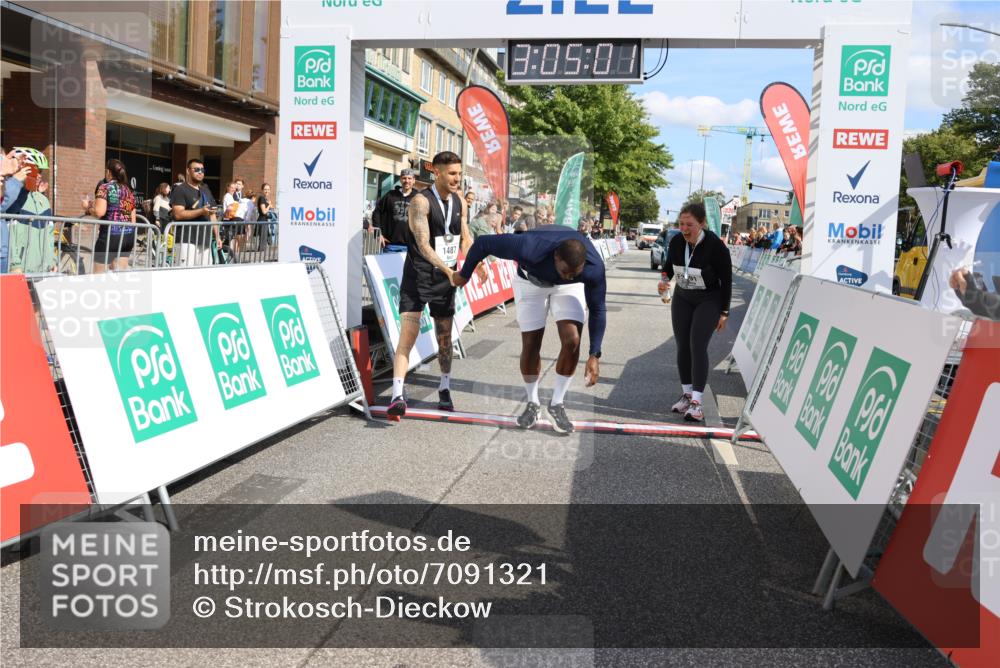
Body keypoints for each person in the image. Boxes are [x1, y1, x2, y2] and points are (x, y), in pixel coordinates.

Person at [452, 226, 606, 435]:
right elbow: (483, 244)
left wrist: (594, 354)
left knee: (572, 340)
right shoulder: (528, 246)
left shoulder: (592, 268)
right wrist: (464, 274)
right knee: (531, 343)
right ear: (555, 256)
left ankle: (557, 404)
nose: (569, 276)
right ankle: (533, 403)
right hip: (530, 281)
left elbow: (597, 309)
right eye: (565, 272)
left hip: (567, 292)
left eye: (574, 273)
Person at [387, 151, 473, 419]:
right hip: (418, 275)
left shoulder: (460, 201)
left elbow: (465, 237)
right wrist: (449, 270)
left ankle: (445, 388)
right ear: (436, 173)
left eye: (459, 173)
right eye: (452, 174)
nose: (457, 178)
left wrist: (474, 263)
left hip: (445, 279)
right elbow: (423, 245)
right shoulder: (420, 202)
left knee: (445, 337)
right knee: (408, 336)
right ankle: (397, 396)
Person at [657, 203, 732, 422]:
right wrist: (663, 281)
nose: (684, 229)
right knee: (682, 346)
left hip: (708, 299)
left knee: (697, 345)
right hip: (683, 297)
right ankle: (687, 394)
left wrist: (724, 312)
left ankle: (697, 402)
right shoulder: (677, 241)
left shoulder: (716, 246)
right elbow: (669, 267)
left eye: (690, 224)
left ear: (702, 224)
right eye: (681, 224)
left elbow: (726, 280)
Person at [83, 158, 137, 273]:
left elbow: (99, 212)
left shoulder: (105, 187)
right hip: (128, 236)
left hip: (110, 235)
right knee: (119, 274)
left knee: (99, 276)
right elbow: (133, 219)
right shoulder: (129, 191)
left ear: (108, 172)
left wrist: (87, 207)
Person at [169, 158, 221, 266]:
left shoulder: (206, 190)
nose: (200, 172)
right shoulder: (180, 189)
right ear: (188, 171)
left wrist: (217, 236)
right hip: (186, 239)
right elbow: (178, 214)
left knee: (204, 274)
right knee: (185, 274)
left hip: (205, 239)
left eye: (202, 170)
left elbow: (213, 215)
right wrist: (201, 211)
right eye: (196, 169)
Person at [373, 168, 419, 250]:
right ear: (400, 179)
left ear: (414, 180)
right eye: (404, 178)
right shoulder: (390, 195)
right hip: (390, 245)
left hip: (412, 247)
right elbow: (377, 212)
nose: (407, 181)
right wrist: (378, 234)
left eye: (409, 178)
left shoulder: (419, 198)